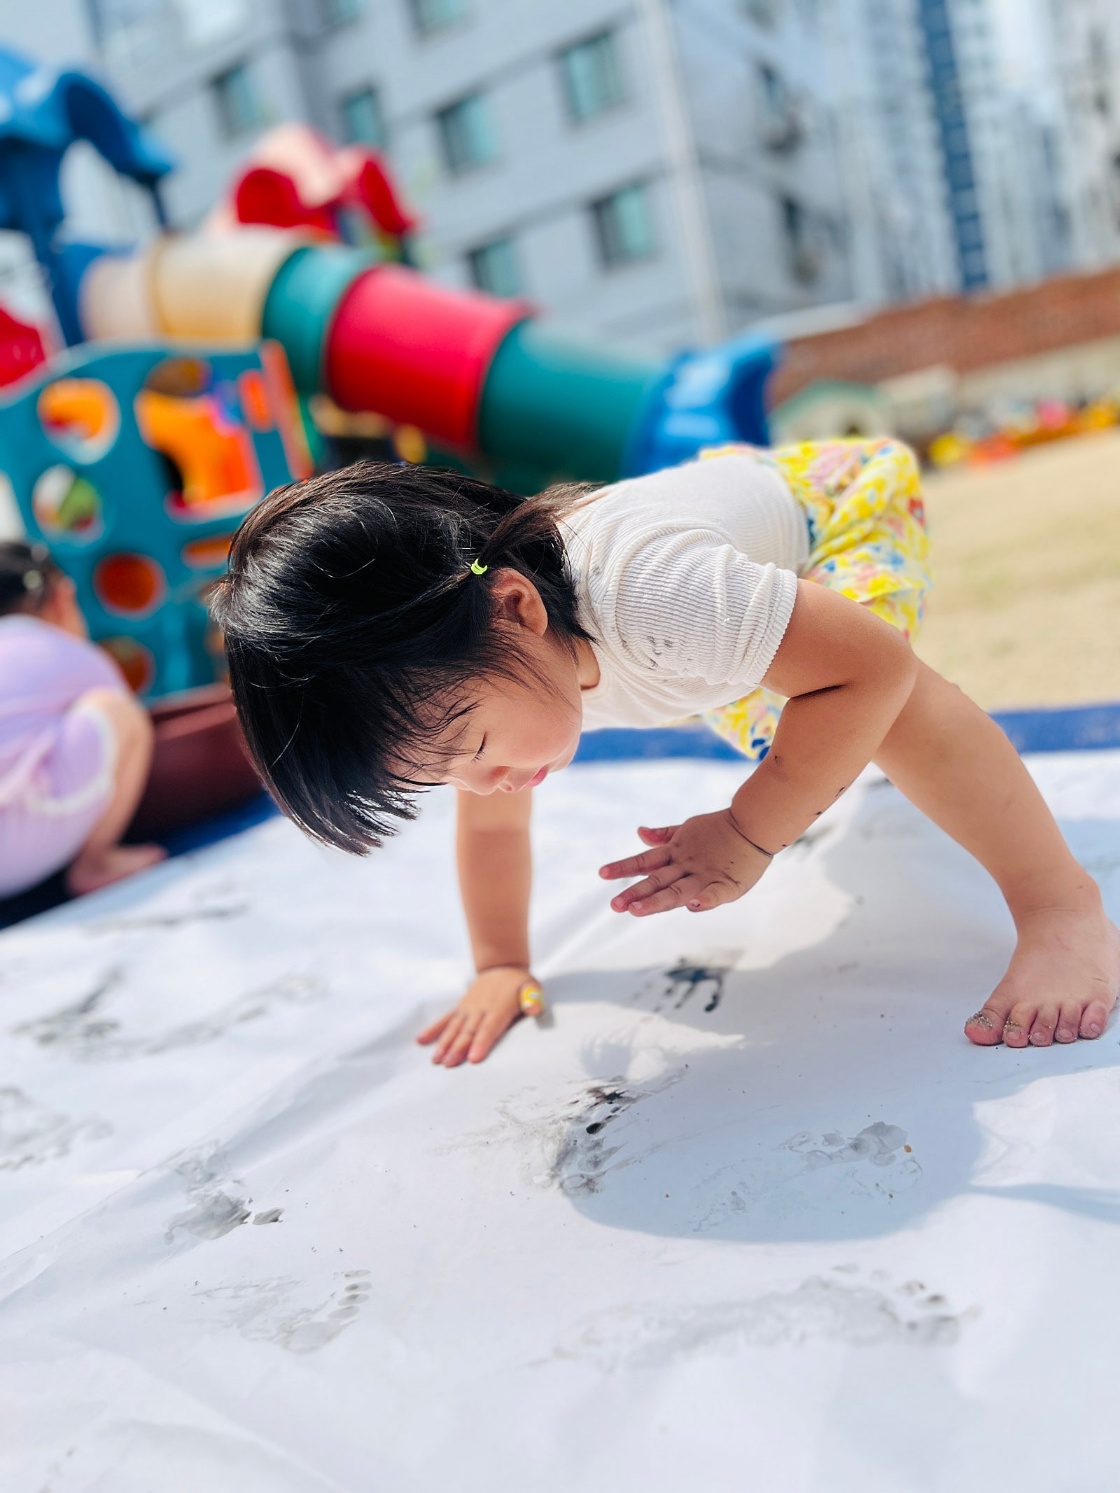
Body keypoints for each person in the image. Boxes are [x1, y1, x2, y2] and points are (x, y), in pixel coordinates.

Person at [211, 442, 1119, 1067]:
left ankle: (1060, 906)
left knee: (883, 701)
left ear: (521, 609)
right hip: (709, 551)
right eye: (441, 774)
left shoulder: (658, 601)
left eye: (472, 749)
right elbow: (490, 823)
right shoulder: (486, 675)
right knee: (790, 708)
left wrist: (748, 831)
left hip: (830, 513)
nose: (479, 782)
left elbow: (869, 668)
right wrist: (499, 961)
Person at [0, 542, 165, 899]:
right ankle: (95, 862)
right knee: (119, 712)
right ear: (62, 597)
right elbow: (127, 735)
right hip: (14, 849)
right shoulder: (59, 648)